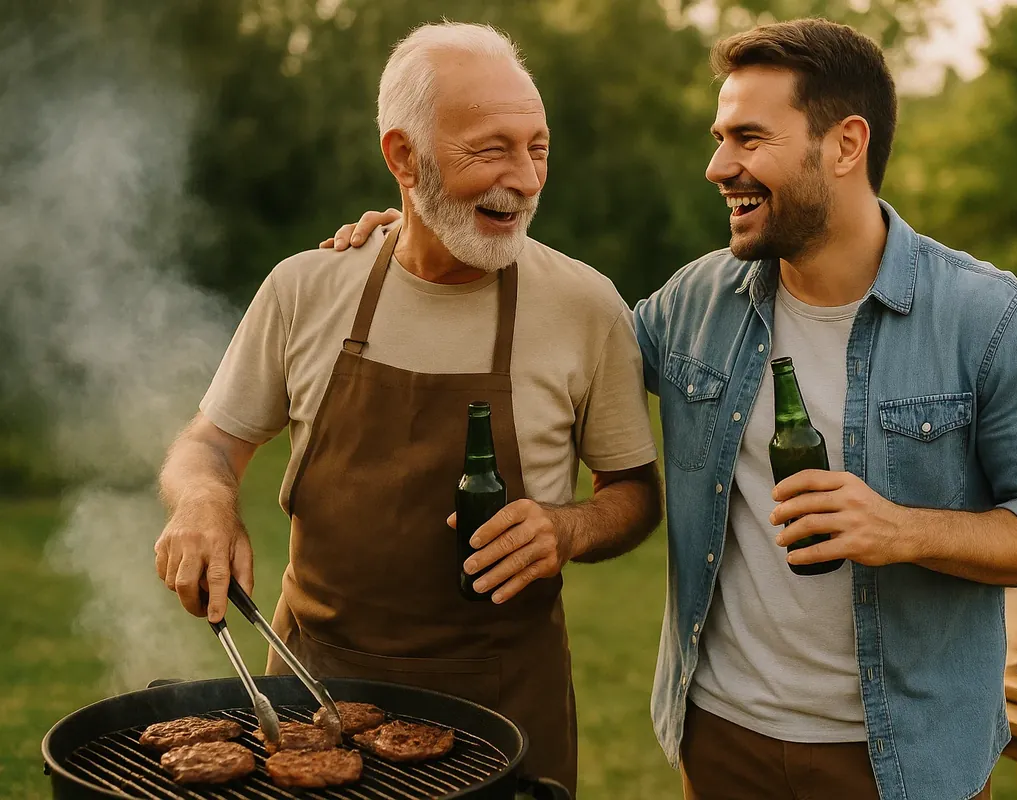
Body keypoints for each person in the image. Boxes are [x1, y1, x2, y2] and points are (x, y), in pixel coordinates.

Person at [324, 17, 1017, 800]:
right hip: (722, 741)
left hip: (905, 756)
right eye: (719, 136)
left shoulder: (989, 319)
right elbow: (570, 343)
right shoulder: (697, 302)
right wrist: (423, 230)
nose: (716, 166)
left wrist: (900, 529)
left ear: (845, 145)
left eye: (748, 139)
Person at [154, 22, 662, 793]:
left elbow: (634, 494)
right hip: (312, 693)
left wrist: (567, 528)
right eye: (490, 148)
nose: (524, 178)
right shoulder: (306, 287)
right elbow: (212, 443)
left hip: (505, 704)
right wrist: (201, 498)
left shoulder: (586, 306)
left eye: (538, 148)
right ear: (403, 156)